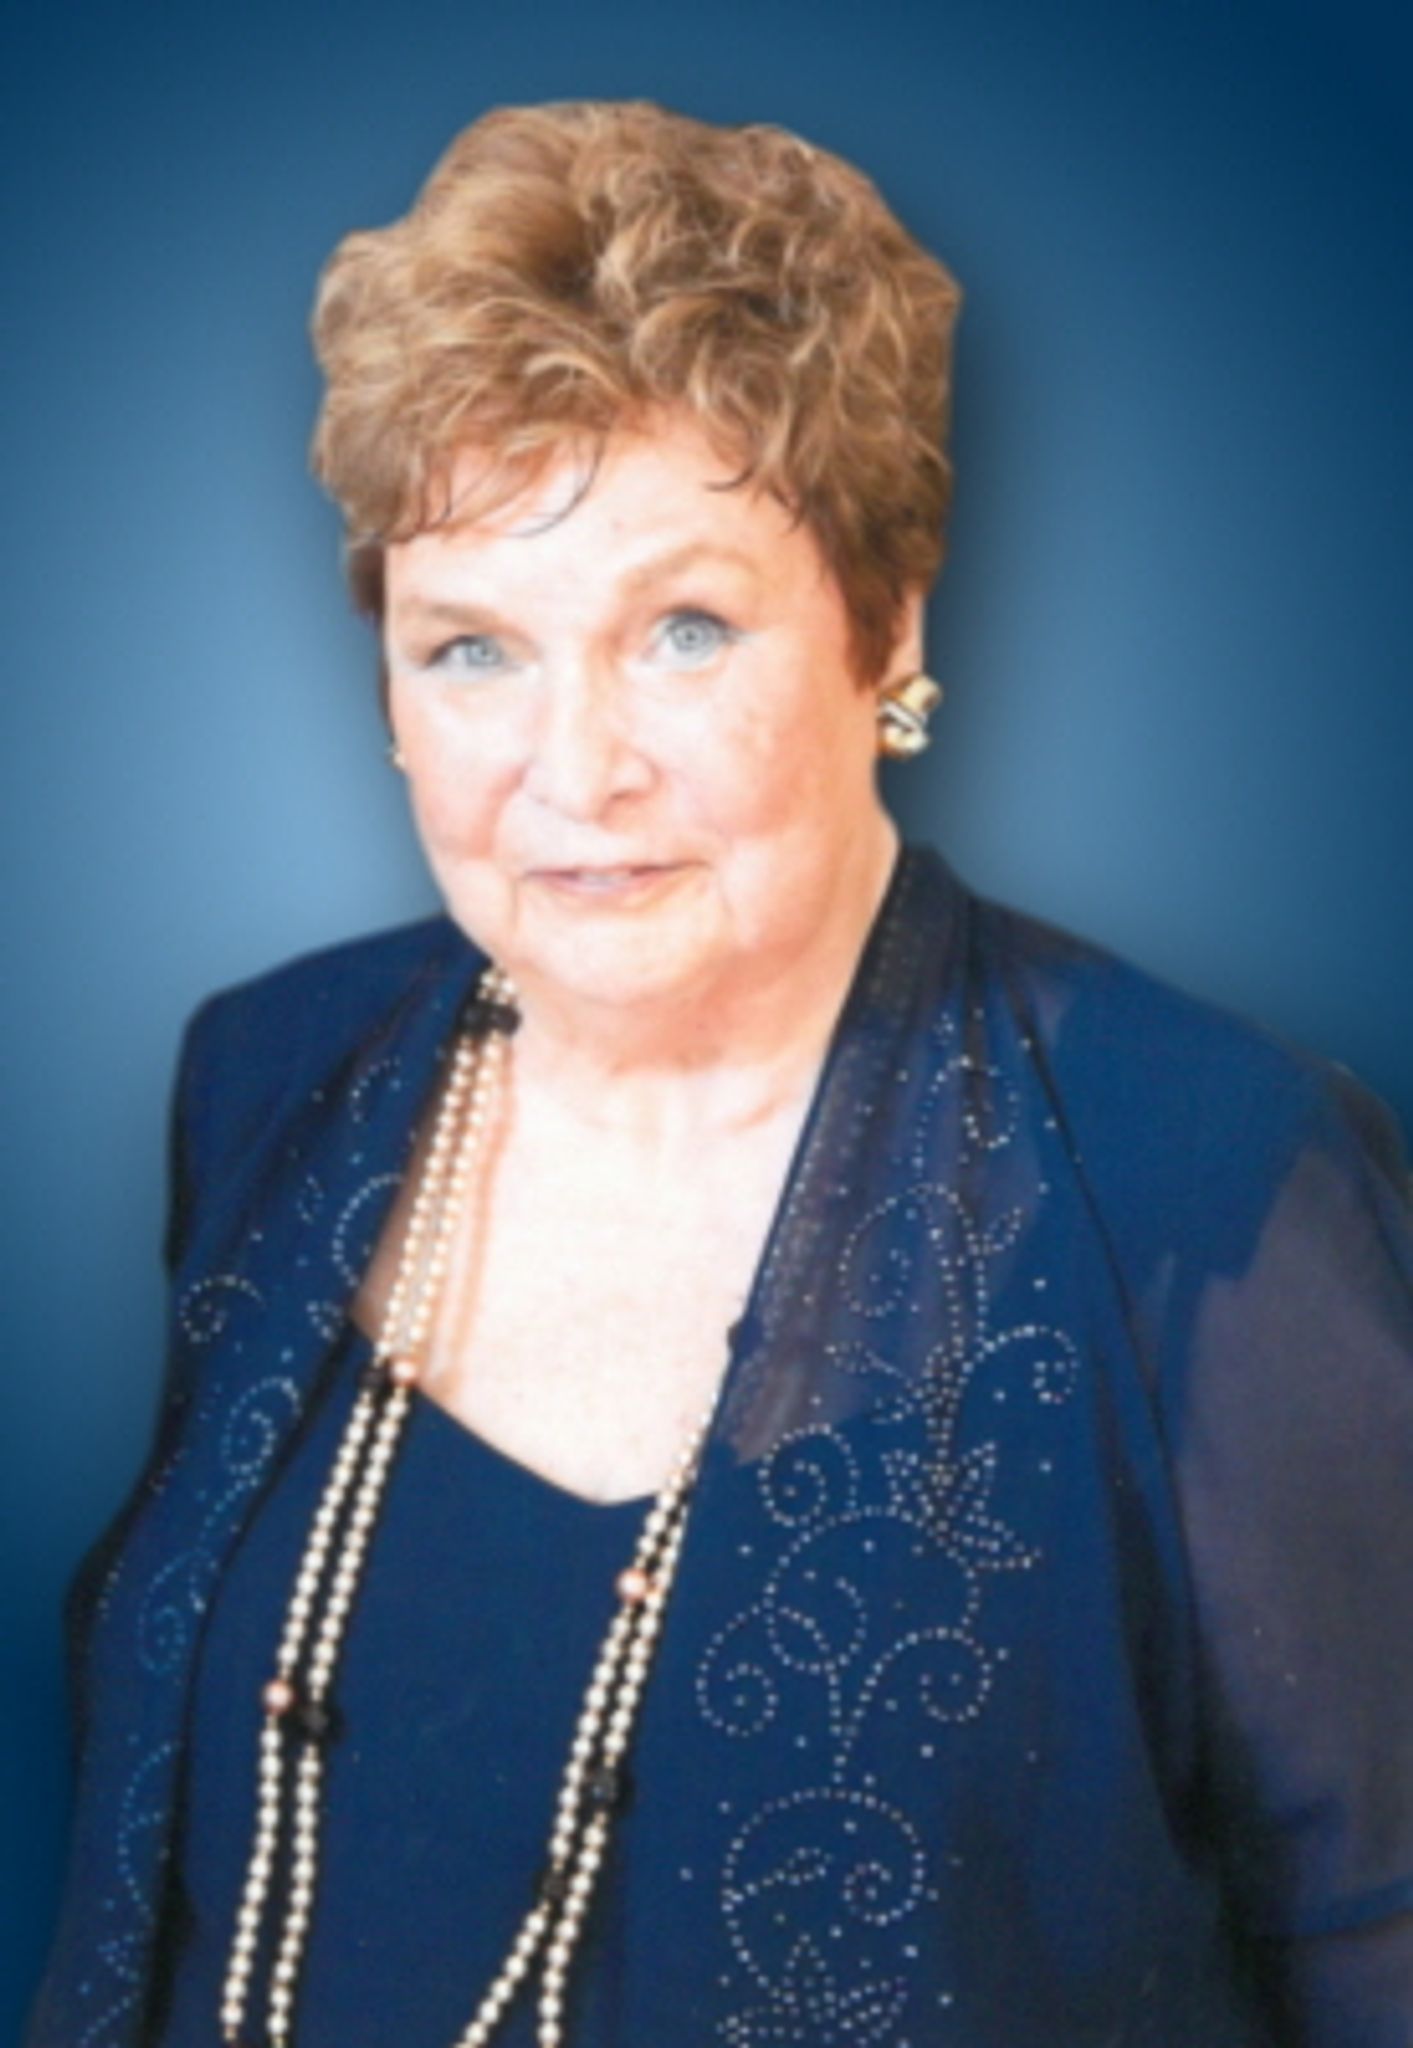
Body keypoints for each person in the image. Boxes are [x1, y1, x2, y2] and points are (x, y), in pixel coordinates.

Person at [24, 99, 1413, 2048]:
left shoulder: (1211, 1181)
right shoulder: (271, 1076)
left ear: (885, 628)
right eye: (472, 648)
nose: (572, 769)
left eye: (680, 629)